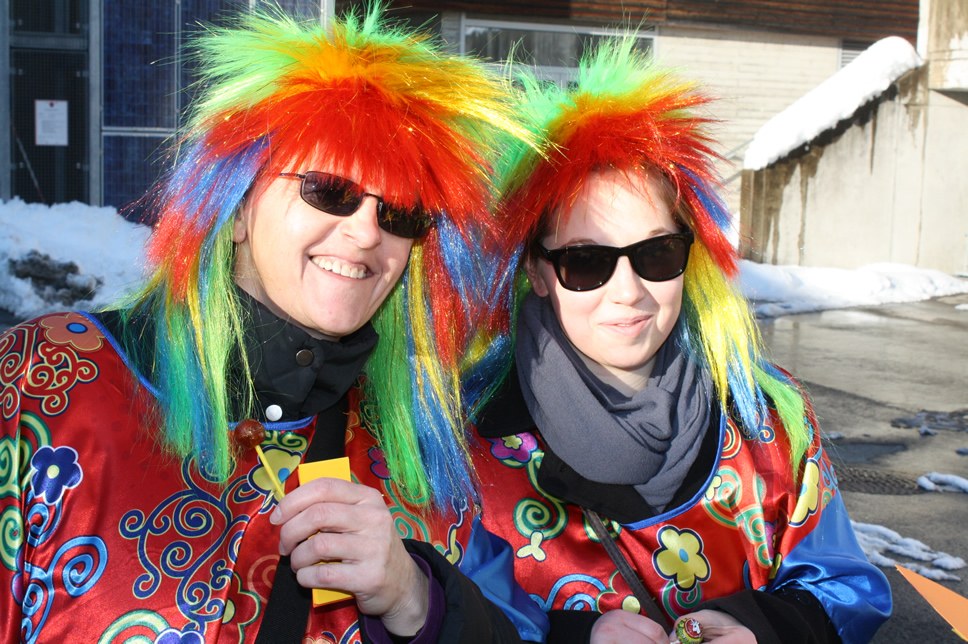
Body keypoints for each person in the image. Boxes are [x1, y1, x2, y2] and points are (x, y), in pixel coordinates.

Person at [0, 6, 548, 643]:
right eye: (329, 190)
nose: (366, 232)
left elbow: (517, 626)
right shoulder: (51, 379)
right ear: (237, 207)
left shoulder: (420, 448)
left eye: (399, 213)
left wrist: (417, 601)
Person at [469, 37, 892, 643]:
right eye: (586, 261)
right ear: (537, 271)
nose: (629, 291)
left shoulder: (765, 418)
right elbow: (443, 610)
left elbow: (845, 586)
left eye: (656, 254)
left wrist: (761, 628)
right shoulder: (467, 443)